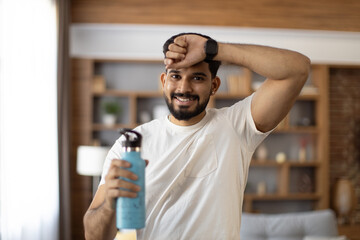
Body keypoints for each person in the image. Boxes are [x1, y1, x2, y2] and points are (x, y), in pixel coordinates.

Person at [83, 32, 310, 240]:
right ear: (164, 82)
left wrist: (214, 49)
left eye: (198, 78)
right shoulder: (132, 143)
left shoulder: (236, 126)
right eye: (176, 76)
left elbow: (297, 69)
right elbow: (94, 236)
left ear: (214, 85)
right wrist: (109, 205)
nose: (184, 87)